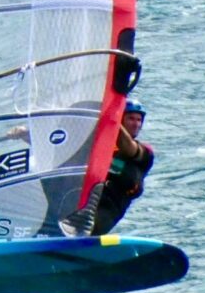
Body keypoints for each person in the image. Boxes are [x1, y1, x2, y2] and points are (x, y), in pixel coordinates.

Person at [60, 98, 155, 236]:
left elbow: (129, 148)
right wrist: (26, 133)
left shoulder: (145, 152)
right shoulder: (97, 146)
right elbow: (61, 144)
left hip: (109, 208)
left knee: (86, 229)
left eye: (138, 120)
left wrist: (111, 118)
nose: (136, 124)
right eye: (131, 119)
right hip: (82, 199)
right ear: (122, 119)